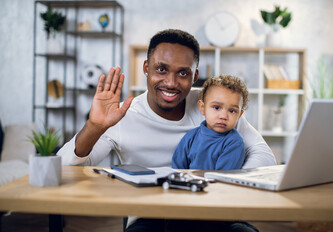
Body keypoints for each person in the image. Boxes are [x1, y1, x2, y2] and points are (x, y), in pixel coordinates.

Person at [57, 29, 275, 232]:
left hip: (215, 210)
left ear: (194, 74)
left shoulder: (215, 105)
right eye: (161, 69)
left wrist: (225, 187)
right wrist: (94, 127)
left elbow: (264, 155)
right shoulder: (122, 115)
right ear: (146, 68)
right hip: (150, 216)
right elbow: (63, 167)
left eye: (182, 73)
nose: (171, 83)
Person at [172, 74, 249, 170]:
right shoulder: (191, 137)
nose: (223, 116)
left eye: (232, 111)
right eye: (216, 107)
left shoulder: (234, 143)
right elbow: (177, 170)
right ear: (202, 108)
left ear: (239, 115)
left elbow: (223, 177)